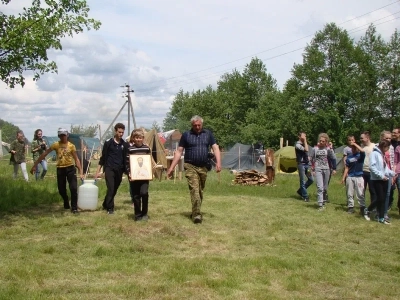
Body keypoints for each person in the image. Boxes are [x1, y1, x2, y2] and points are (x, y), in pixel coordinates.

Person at [166, 115, 221, 224]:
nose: (197, 127)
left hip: (204, 166)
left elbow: (215, 148)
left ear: (202, 124)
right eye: (195, 125)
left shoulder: (208, 134)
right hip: (190, 166)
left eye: (199, 125)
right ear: (192, 125)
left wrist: (219, 163)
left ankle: (195, 210)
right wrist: (171, 168)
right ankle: (196, 215)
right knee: (195, 190)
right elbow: (179, 152)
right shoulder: (186, 135)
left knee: (200, 191)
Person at [30, 128, 84, 213]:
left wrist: (81, 172)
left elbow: (76, 159)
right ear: (59, 136)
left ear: (67, 135)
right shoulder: (56, 145)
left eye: (64, 135)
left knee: (73, 188)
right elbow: (44, 154)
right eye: (61, 135)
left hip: (70, 168)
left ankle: (74, 208)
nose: (63, 137)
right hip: (60, 169)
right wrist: (35, 165)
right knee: (61, 189)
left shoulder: (71, 146)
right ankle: (66, 200)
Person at [95, 123, 128, 215]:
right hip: (109, 168)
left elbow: (127, 158)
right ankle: (110, 208)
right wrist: (98, 171)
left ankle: (105, 203)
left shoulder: (124, 144)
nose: (121, 134)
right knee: (111, 187)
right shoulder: (108, 143)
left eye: (122, 132)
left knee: (115, 189)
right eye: (119, 132)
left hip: (119, 169)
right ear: (115, 131)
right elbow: (103, 158)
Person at [365, 140, 395, 224]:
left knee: (383, 199)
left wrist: (392, 173)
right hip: (377, 180)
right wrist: (381, 176)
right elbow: (372, 167)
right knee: (380, 198)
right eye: (388, 147)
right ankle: (368, 210)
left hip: (384, 179)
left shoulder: (382, 154)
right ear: (384, 147)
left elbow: (384, 168)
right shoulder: (374, 154)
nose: (388, 149)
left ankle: (381, 218)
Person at [126, 129, 152, 221]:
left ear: (143, 138)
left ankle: (145, 214)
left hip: (145, 176)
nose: (138, 139)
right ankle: (137, 215)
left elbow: (149, 162)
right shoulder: (130, 149)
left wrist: (150, 172)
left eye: (140, 138)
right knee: (136, 196)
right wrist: (129, 173)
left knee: (144, 193)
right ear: (133, 138)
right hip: (134, 177)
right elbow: (127, 163)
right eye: (136, 138)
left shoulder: (146, 148)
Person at [340, 141, 368, 217]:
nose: (353, 149)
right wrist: (343, 178)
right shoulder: (349, 157)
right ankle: (350, 207)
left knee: (360, 193)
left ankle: (362, 207)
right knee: (349, 192)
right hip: (350, 176)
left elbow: (362, 150)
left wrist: (355, 144)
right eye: (352, 148)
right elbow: (346, 168)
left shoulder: (361, 155)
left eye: (354, 148)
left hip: (359, 176)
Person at [311, 133, 337, 211]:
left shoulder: (328, 149)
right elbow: (311, 158)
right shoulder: (315, 149)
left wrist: (334, 168)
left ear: (326, 142)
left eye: (323, 141)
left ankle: (323, 200)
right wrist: (311, 169)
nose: (321, 142)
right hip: (318, 168)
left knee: (325, 188)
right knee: (320, 187)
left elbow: (333, 158)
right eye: (320, 141)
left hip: (326, 169)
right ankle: (320, 205)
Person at [295, 132, 313, 202]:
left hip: (307, 165)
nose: (305, 137)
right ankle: (305, 196)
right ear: (299, 136)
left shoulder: (304, 144)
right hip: (301, 165)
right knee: (302, 181)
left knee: (311, 179)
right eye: (303, 136)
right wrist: (305, 141)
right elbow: (306, 149)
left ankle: (300, 191)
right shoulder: (297, 145)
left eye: (305, 136)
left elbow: (307, 152)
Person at [360, 131, 376, 206]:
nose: (361, 139)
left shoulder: (374, 146)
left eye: (362, 138)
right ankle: (362, 206)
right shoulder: (361, 147)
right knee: (361, 190)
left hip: (371, 172)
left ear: (367, 138)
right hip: (362, 171)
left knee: (372, 190)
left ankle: (372, 207)